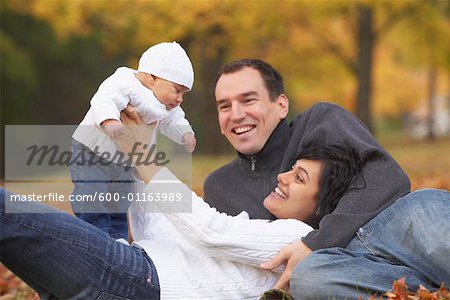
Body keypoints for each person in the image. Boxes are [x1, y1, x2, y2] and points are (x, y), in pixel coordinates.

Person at [0, 108, 371, 299]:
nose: (283, 177)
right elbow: (161, 229)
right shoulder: (264, 229)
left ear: (321, 207)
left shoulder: (296, 236)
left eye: (300, 178)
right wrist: (137, 148)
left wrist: (142, 152)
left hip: (135, 281)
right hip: (132, 272)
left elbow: (207, 230)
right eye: (291, 170)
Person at [203, 59, 449, 297]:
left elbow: (386, 176)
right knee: (308, 279)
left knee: (429, 224)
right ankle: (428, 289)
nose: (235, 114)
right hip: (346, 264)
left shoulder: (320, 121)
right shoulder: (220, 188)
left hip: (393, 225)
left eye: (248, 100)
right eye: (224, 106)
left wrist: (316, 242)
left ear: (281, 105)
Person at [71, 41, 196, 241]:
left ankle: (118, 237)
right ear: (153, 77)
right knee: (92, 194)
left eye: (183, 93)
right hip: (92, 151)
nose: (180, 98)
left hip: (125, 160)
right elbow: (104, 99)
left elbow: (176, 119)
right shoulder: (124, 82)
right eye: (177, 90)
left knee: (120, 199)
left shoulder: (167, 105)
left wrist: (185, 134)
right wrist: (110, 120)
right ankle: (97, 234)